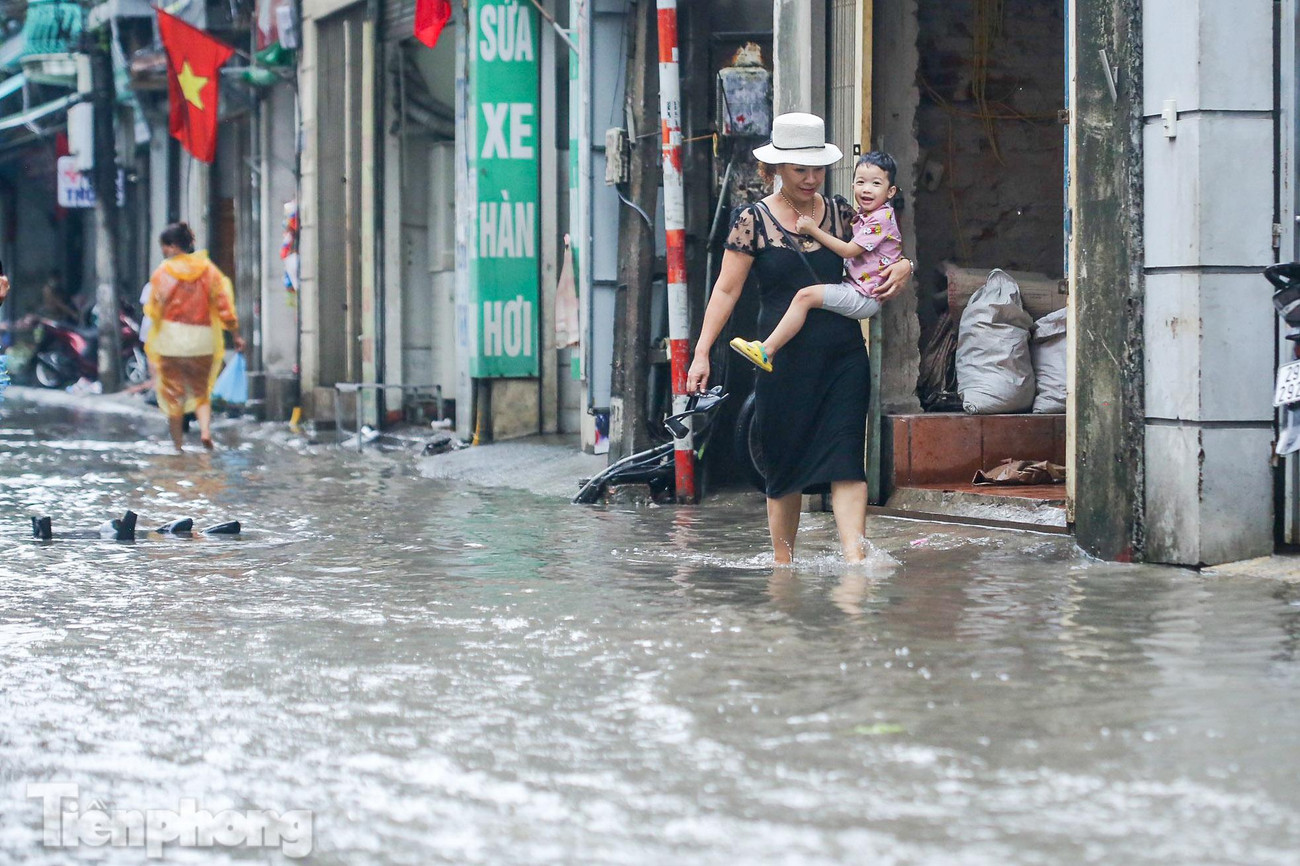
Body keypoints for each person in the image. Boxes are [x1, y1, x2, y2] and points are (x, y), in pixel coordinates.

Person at [685, 113, 913, 563]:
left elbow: (884, 251)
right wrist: (701, 352)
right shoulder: (752, 220)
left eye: (818, 169)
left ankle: (855, 563)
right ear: (776, 170)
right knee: (783, 464)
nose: (811, 179)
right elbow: (727, 290)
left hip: (843, 356)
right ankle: (783, 566)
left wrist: (906, 268)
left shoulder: (845, 213)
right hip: (781, 362)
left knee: (847, 458)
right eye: (799, 170)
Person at [728, 151, 902, 372]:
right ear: (779, 168)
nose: (867, 189)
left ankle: (767, 350)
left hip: (861, 299)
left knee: (805, 296)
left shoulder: (873, 217)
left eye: (876, 183)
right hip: (852, 297)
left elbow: (849, 250)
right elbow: (726, 290)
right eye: (861, 182)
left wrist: (813, 229)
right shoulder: (865, 214)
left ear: (891, 191)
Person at [143, 222, 245, 451]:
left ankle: (178, 445)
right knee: (201, 391)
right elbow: (224, 306)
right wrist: (236, 335)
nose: (163, 252)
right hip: (203, 338)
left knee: (174, 395)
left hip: (172, 340)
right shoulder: (209, 271)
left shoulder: (163, 273)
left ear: (172, 246)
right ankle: (206, 433)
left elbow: (153, 309)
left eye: (164, 247)